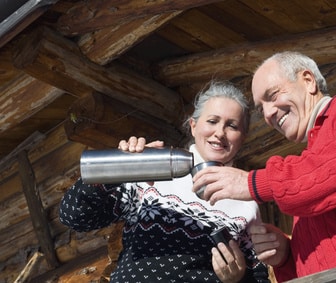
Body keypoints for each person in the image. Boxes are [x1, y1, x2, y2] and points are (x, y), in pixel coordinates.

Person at [192, 51, 336, 282]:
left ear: (308, 80)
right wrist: (285, 255)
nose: (268, 113)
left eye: (272, 95)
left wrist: (253, 182)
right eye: (261, 108)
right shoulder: (310, 169)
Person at [59, 81, 270, 282]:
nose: (220, 133)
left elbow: (259, 277)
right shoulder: (152, 171)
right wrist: (120, 167)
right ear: (194, 126)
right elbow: (74, 217)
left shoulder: (246, 202)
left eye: (232, 126)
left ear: (242, 137)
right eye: (212, 121)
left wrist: (238, 278)